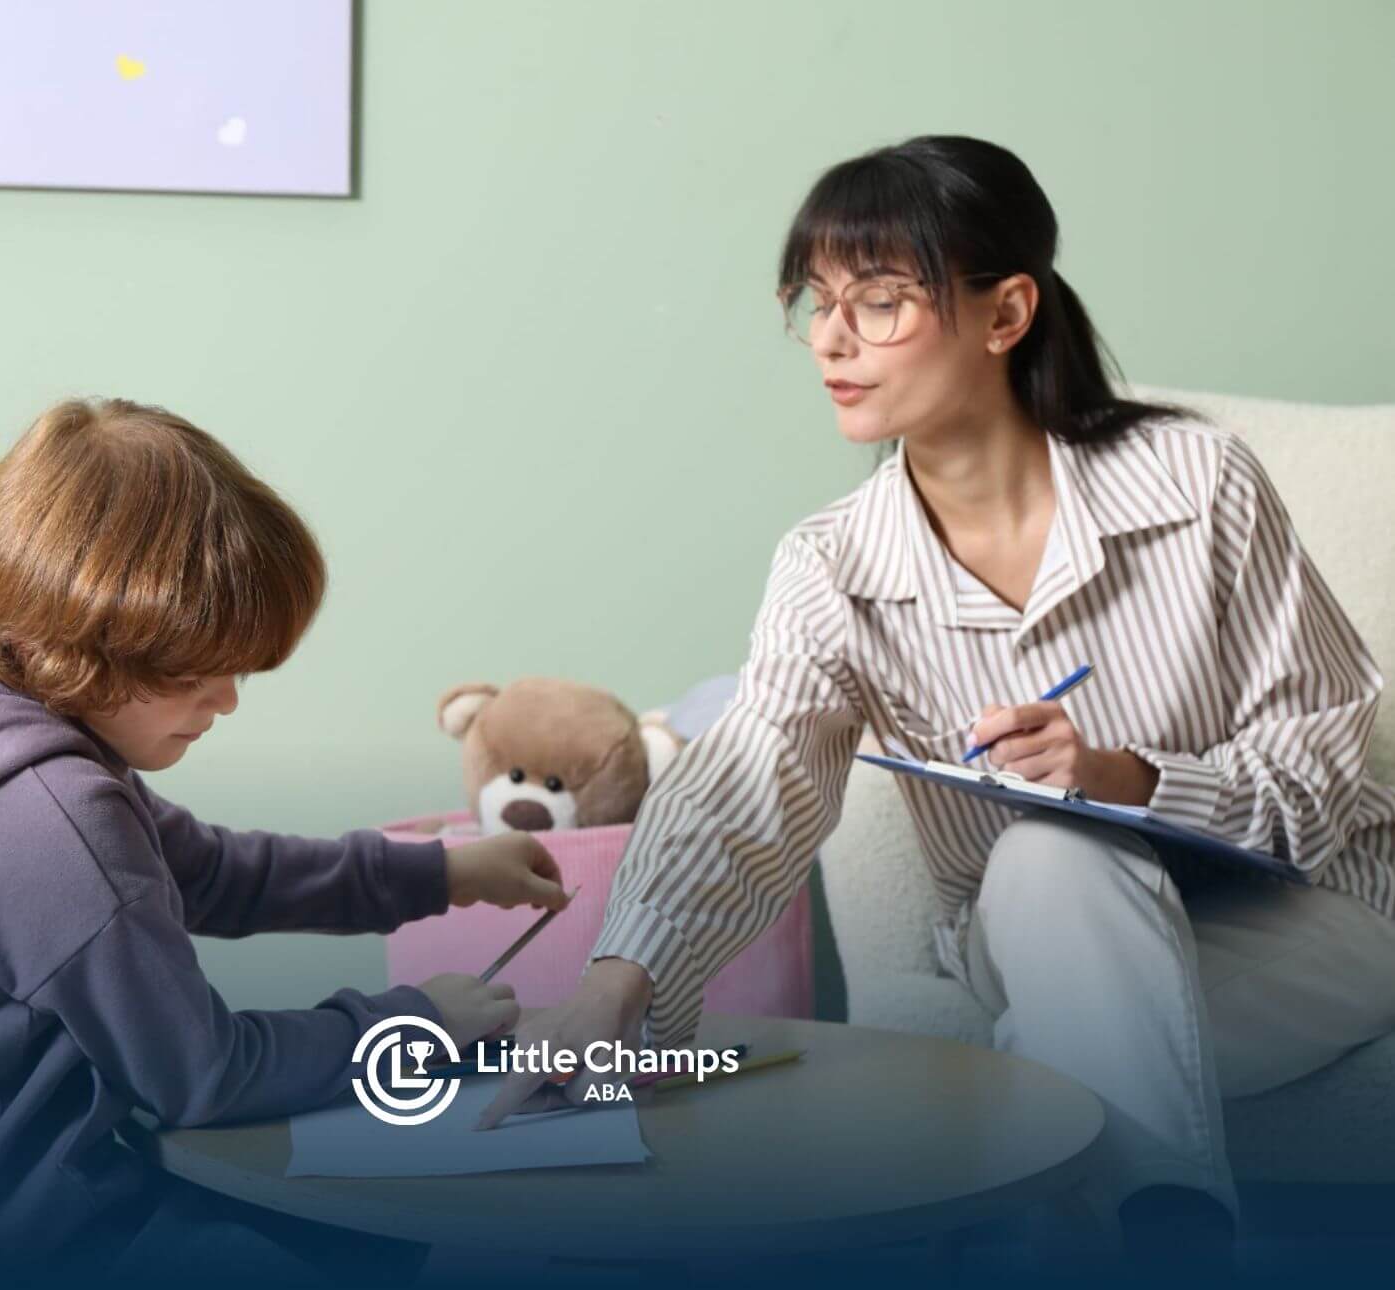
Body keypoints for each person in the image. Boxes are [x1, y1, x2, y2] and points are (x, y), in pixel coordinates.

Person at [475, 135, 1395, 1273]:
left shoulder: (1197, 483)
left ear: (1005, 313)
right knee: (1049, 862)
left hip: (1301, 926)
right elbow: (751, 773)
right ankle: (1166, 1250)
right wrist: (618, 980)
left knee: (1050, 1034)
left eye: (877, 303)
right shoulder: (830, 564)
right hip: (1040, 933)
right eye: (817, 303)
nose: (829, 339)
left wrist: (1123, 777)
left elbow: (1325, 753)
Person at [0, 397, 567, 1285]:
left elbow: (215, 874)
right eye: (196, 674)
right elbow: (204, 1075)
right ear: (78, 644)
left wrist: (442, 871)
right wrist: (421, 1025)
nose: (226, 701)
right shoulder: (45, 818)